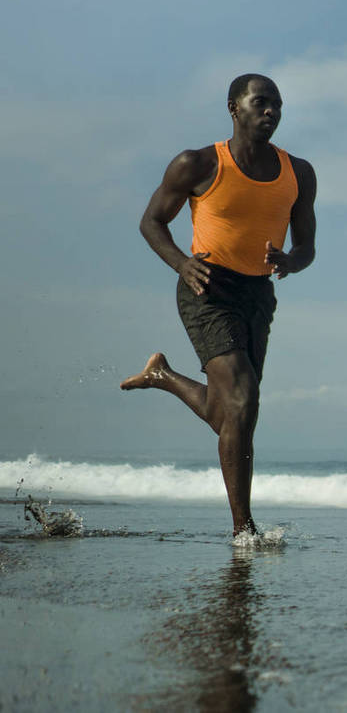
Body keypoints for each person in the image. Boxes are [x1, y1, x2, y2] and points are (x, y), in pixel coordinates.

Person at [120, 74, 317, 537]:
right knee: (243, 400)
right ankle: (243, 531)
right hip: (206, 287)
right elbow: (151, 221)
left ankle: (162, 375)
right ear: (234, 107)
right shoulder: (198, 164)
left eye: (278, 105)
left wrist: (292, 260)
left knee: (232, 411)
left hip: (257, 296)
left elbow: (308, 246)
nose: (271, 111)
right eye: (261, 102)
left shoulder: (299, 173)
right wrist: (181, 264)